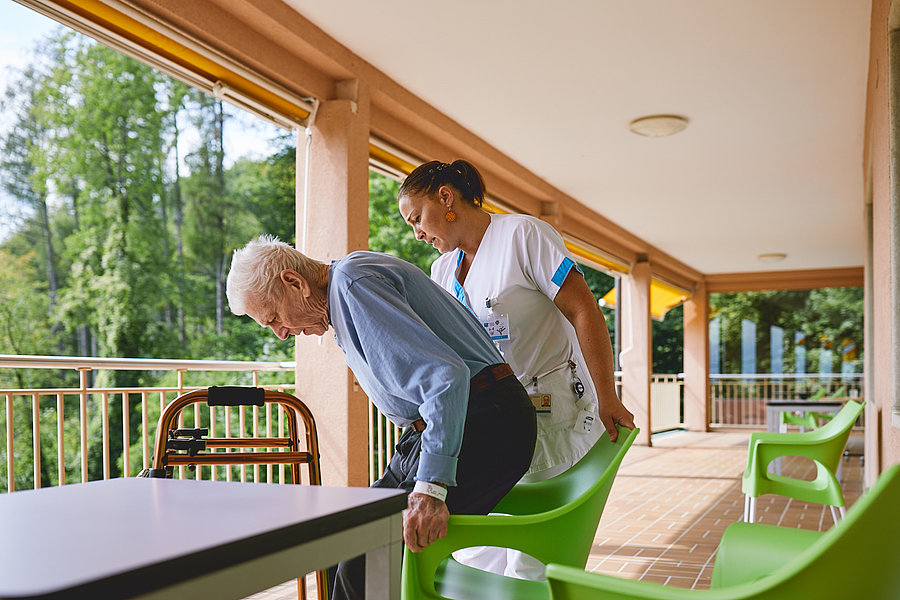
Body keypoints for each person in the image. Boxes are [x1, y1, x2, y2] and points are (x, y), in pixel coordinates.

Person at [225, 235, 537, 600]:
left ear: (294, 283)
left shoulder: (354, 284)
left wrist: (431, 488)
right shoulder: (345, 291)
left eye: (274, 317)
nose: (280, 333)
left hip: (484, 420)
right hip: (447, 425)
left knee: (366, 560)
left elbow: (445, 379)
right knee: (337, 542)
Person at [397, 159, 635, 580]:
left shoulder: (523, 235)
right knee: (477, 551)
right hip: (492, 425)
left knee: (535, 556)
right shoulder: (441, 270)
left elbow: (583, 308)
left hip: (551, 412)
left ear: (446, 198)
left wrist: (608, 394)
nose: (417, 233)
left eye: (417, 218)